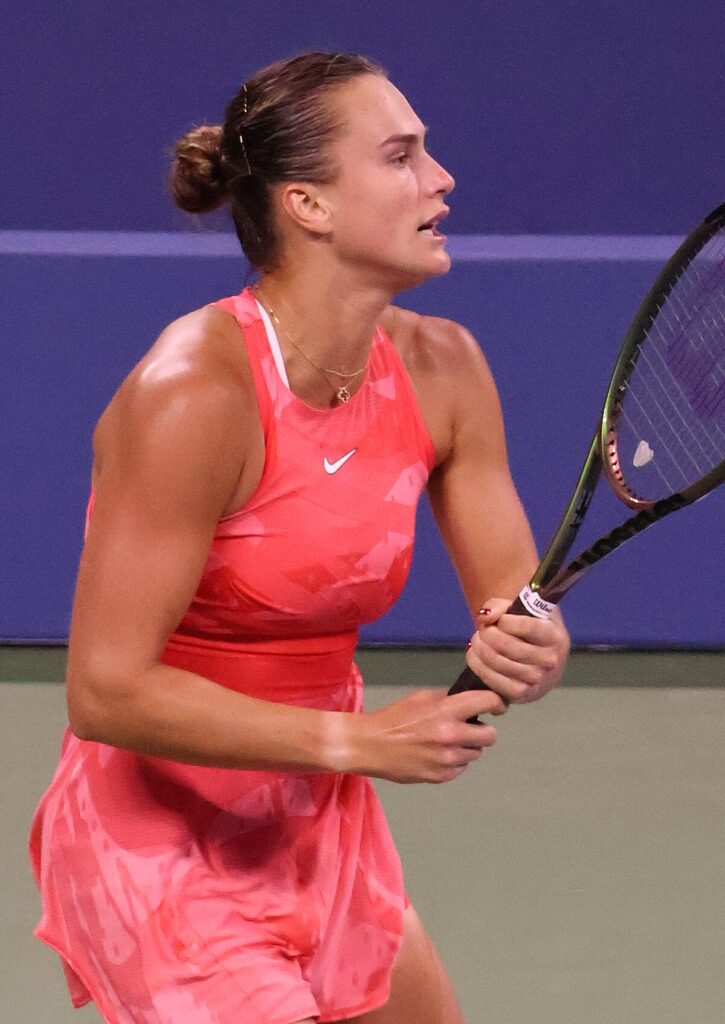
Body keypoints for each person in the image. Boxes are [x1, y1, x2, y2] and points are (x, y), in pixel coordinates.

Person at [30, 51, 570, 1024]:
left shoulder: (444, 369)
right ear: (307, 205)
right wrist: (354, 739)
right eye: (399, 156)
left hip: (313, 823)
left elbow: (510, 591)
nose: (440, 178)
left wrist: (526, 642)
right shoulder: (195, 394)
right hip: (157, 837)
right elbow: (104, 689)